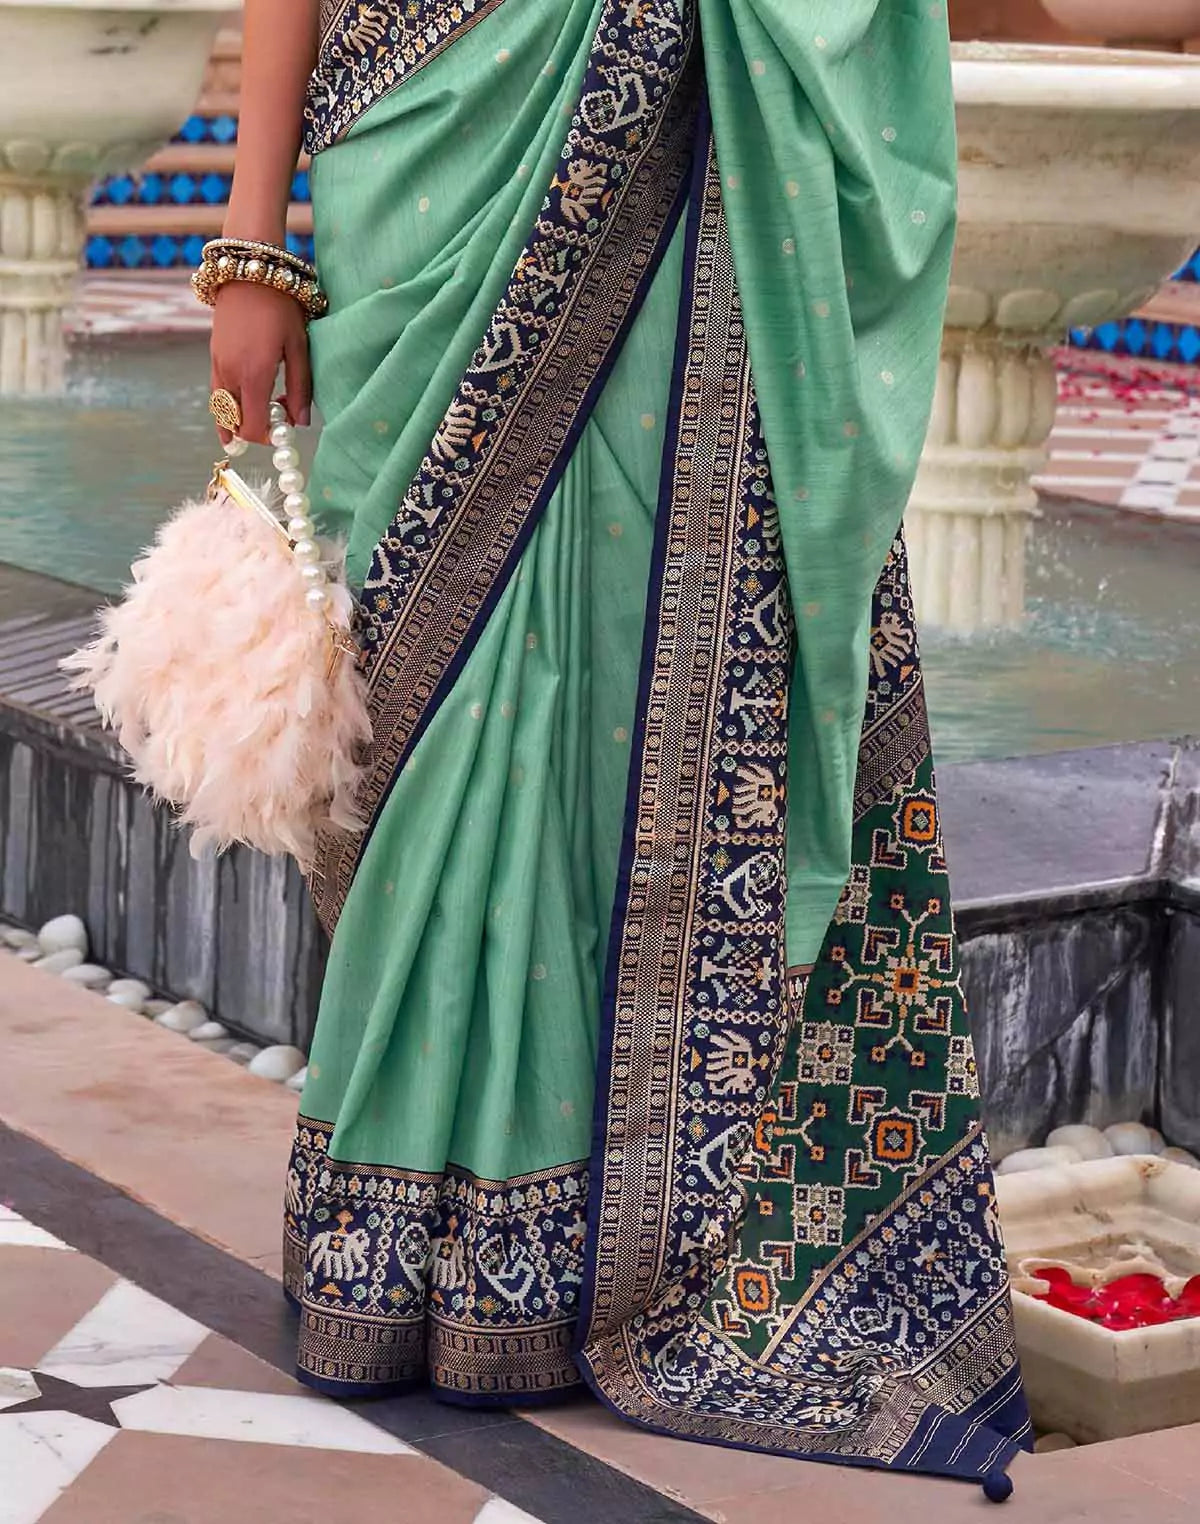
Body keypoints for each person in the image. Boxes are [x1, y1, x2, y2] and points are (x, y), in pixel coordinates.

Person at [207, 0, 1030, 1496]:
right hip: (426, 144)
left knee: (597, 674)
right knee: (427, 702)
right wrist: (252, 244)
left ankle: (583, 1243)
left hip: (666, 145)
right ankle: (396, 1228)